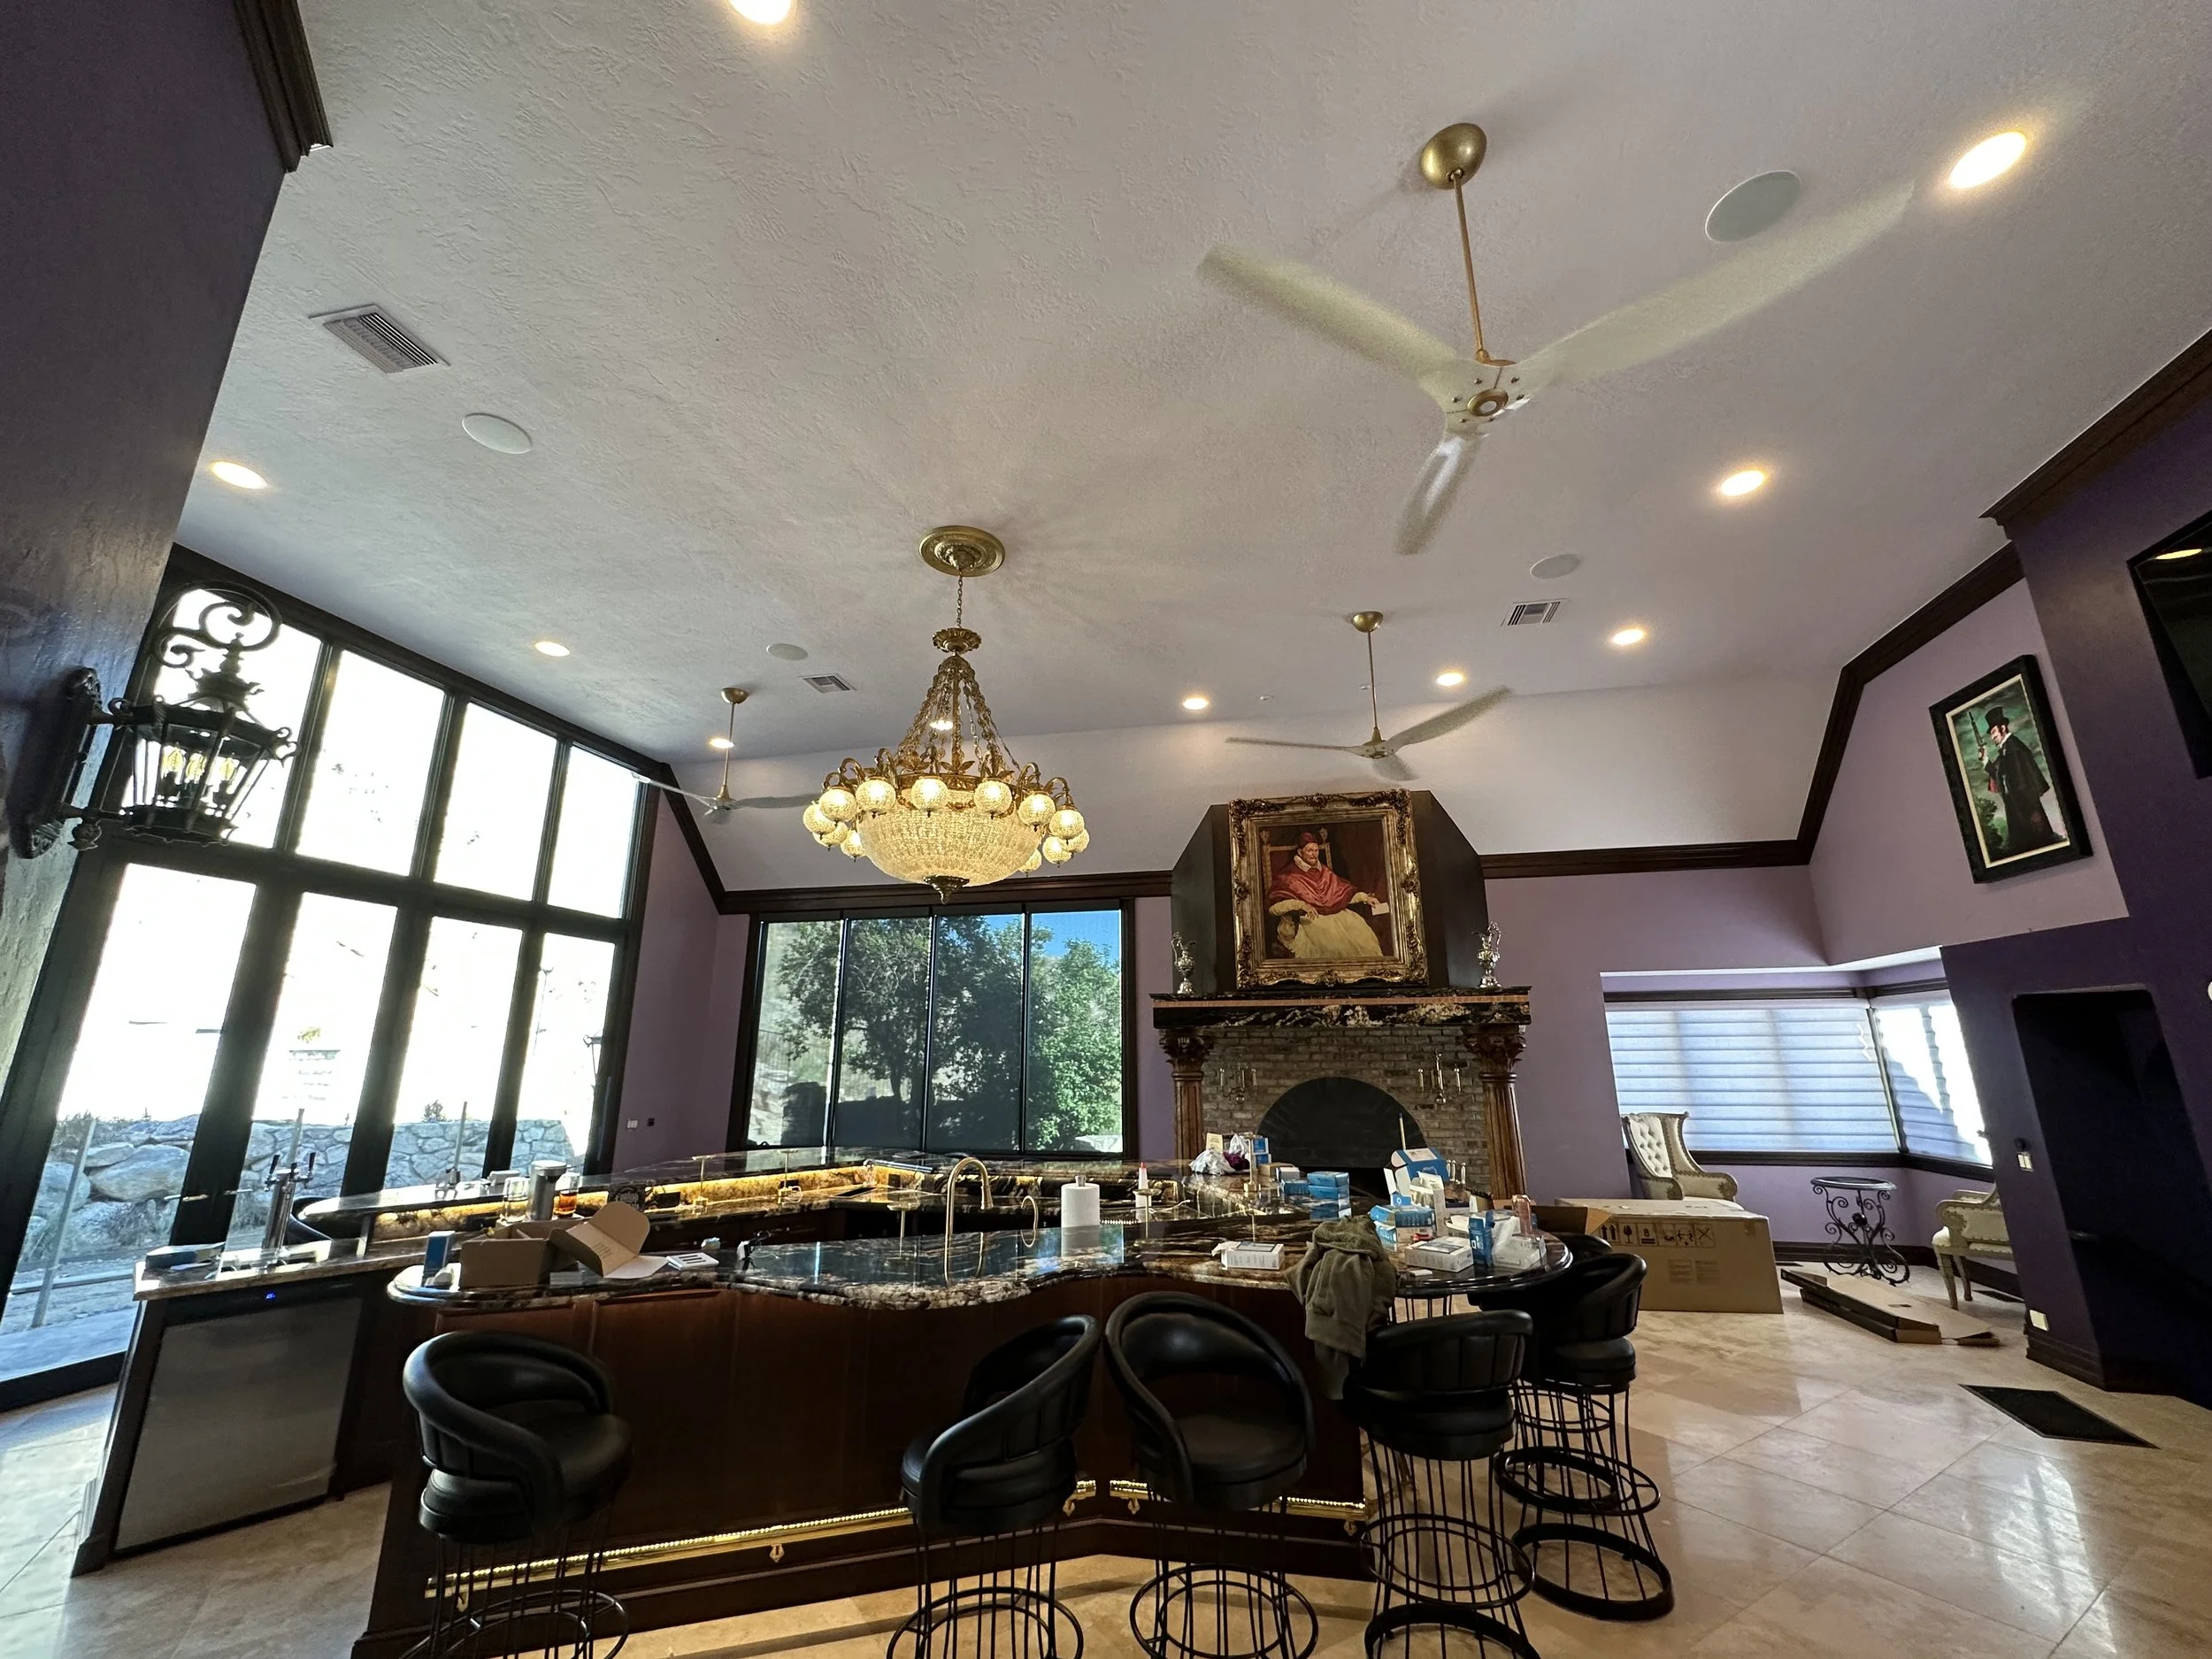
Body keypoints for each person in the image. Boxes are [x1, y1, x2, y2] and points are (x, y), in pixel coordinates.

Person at [1266, 833, 1386, 958]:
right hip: (1310, 918)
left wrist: (1365, 898)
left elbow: (1340, 893)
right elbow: (1274, 908)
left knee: (1360, 934)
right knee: (1331, 942)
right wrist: (1302, 905)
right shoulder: (1289, 876)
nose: (1314, 854)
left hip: (1335, 914)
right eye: (1310, 851)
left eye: (1316, 850)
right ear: (1300, 852)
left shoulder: (1325, 871)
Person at [1984, 705, 2059, 856]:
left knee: (2037, 844)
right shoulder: (2007, 749)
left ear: (2003, 728)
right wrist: (1985, 759)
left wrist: (2027, 805)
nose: (1992, 737)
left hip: (2026, 807)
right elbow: (1999, 771)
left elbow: (2020, 779)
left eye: (1993, 732)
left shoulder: (2015, 747)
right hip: (2018, 806)